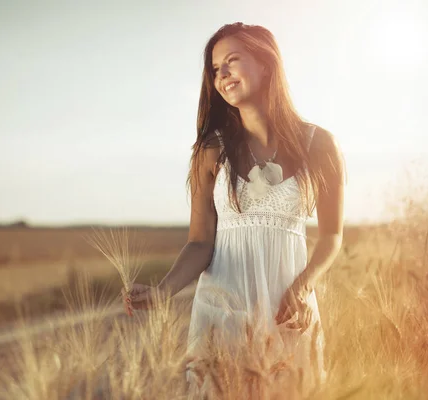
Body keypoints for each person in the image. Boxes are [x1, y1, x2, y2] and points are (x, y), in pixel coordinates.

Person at [125, 22, 344, 395]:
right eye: (214, 69)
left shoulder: (319, 144)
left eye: (232, 61)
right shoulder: (212, 151)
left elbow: (331, 235)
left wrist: (304, 287)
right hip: (221, 313)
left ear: (266, 64)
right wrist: (165, 291)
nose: (222, 74)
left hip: (287, 312)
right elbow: (199, 243)